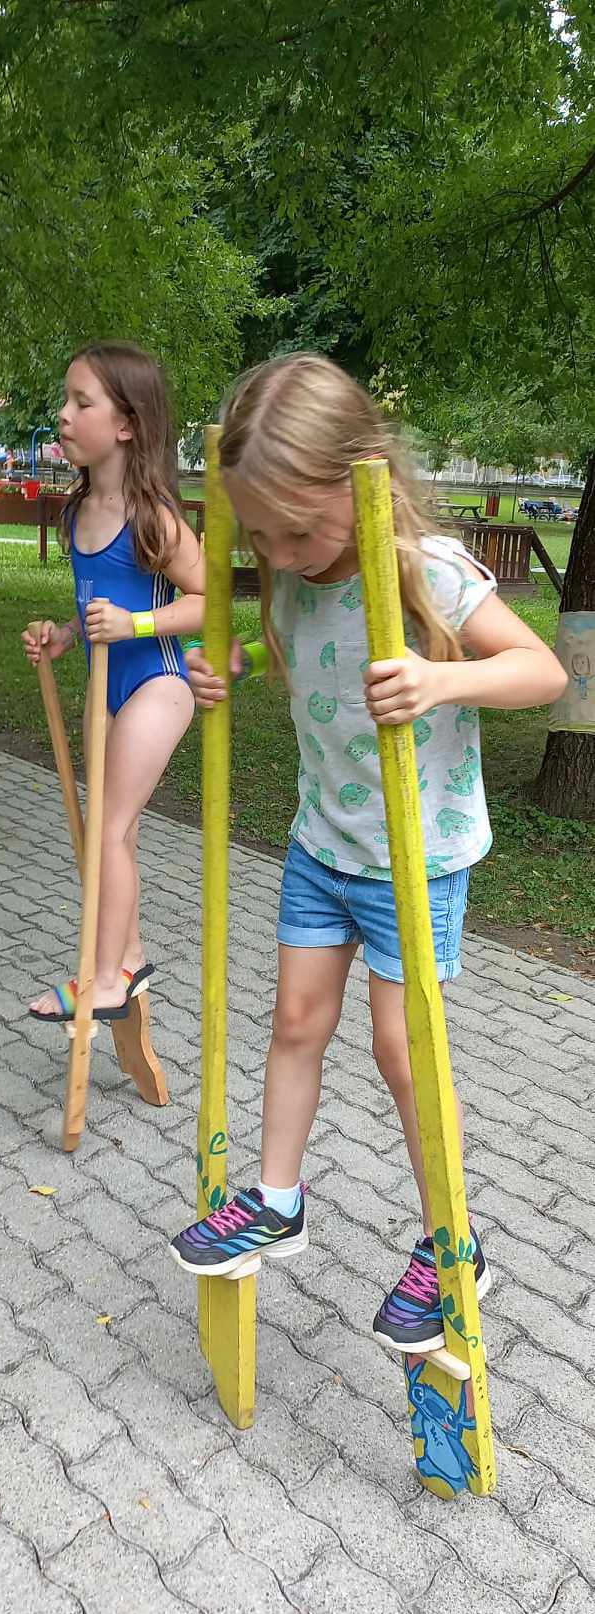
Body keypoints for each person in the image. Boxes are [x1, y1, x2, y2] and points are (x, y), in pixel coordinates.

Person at [170, 353, 566, 1355]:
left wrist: (442, 682)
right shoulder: (293, 578)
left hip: (414, 858)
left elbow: (541, 672)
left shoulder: (427, 572)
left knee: (402, 1051)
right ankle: (276, 1201)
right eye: (259, 534)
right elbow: (306, 661)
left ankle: (452, 1244)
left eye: (296, 530)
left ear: (360, 480)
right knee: (295, 1021)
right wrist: (229, 664)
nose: (280, 553)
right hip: (322, 846)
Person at [22, 341, 204, 1020]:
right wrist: (66, 635)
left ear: (126, 424)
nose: (64, 416)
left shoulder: (153, 516)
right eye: (65, 401)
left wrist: (135, 623)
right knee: (114, 834)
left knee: (108, 826)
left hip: (159, 682)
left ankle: (103, 980)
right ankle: (128, 958)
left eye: (82, 403)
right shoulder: (76, 512)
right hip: (105, 685)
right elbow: (94, 601)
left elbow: (211, 603)